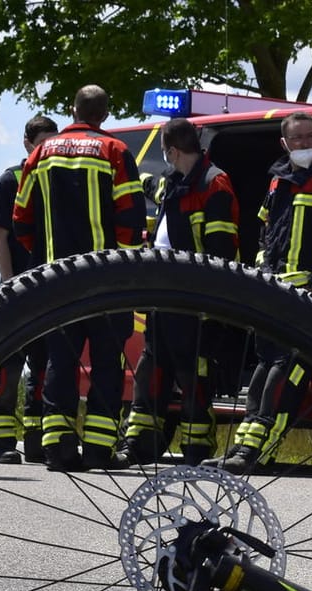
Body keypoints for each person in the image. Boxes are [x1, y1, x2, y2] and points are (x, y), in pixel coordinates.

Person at [211, 111, 312, 473]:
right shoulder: (279, 181)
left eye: (311, 137)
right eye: (298, 139)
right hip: (273, 292)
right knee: (264, 367)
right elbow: (266, 233)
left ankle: (261, 451)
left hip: (308, 298)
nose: (306, 144)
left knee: (286, 373)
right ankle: (243, 446)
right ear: (285, 144)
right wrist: (262, 273)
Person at [12, 84, 145, 471]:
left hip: (56, 280)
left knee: (60, 361)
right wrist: (122, 266)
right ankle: (100, 451)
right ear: (105, 114)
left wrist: (43, 257)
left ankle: (58, 449)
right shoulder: (116, 151)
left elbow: (21, 218)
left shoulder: (41, 153)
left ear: (73, 109)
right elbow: (131, 220)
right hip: (106, 282)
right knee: (106, 363)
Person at [116, 117, 239, 467]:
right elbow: (150, 186)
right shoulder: (175, 182)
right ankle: (141, 444)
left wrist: (211, 301)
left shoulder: (214, 184)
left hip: (196, 300)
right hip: (163, 295)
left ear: (170, 150)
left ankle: (196, 448)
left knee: (193, 373)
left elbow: (221, 251)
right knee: (152, 368)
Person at [0, 113, 58, 465]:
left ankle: (37, 440)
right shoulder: (10, 180)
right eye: (43, 143)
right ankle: (0, 443)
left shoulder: (56, 178)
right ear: (27, 143)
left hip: (49, 288)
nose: (48, 150)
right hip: (16, 286)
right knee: (7, 371)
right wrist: (8, 280)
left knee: (43, 369)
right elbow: (0, 235)